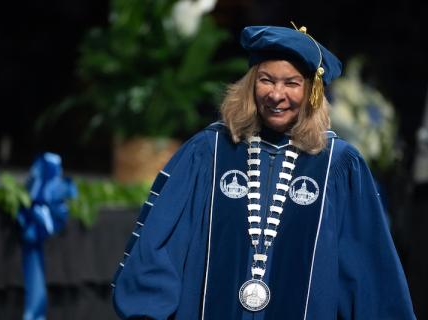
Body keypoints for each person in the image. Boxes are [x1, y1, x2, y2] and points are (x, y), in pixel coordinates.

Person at [111, 24, 416, 319]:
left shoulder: (338, 166)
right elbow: (163, 241)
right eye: (266, 80)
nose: (276, 94)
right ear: (250, 85)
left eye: (292, 83)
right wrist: (146, 309)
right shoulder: (209, 152)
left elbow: (368, 267)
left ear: (311, 90)